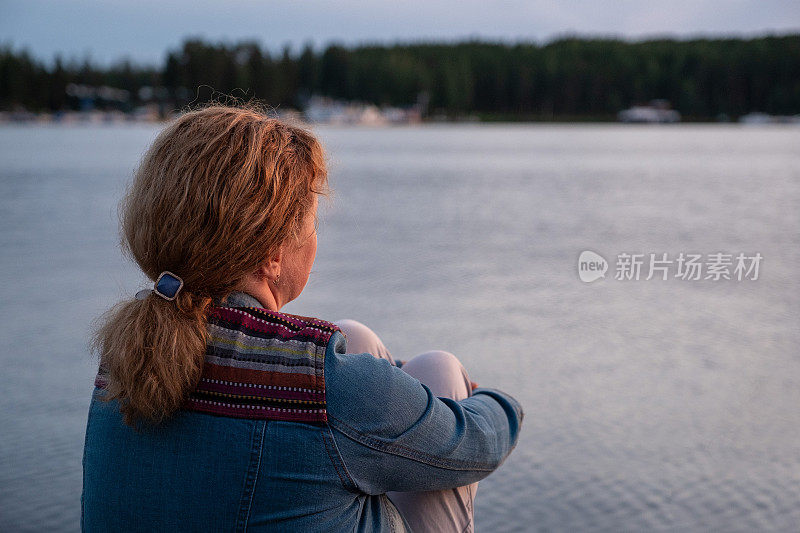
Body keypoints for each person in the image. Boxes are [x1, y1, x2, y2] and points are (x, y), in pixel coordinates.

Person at [81, 104, 524, 532]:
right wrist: (498, 401)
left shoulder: (126, 353)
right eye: (312, 222)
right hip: (365, 407)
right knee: (439, 369)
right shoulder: (318, 385)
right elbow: (479, 442)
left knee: (354, 337)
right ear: (273, 255)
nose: (315, 238)